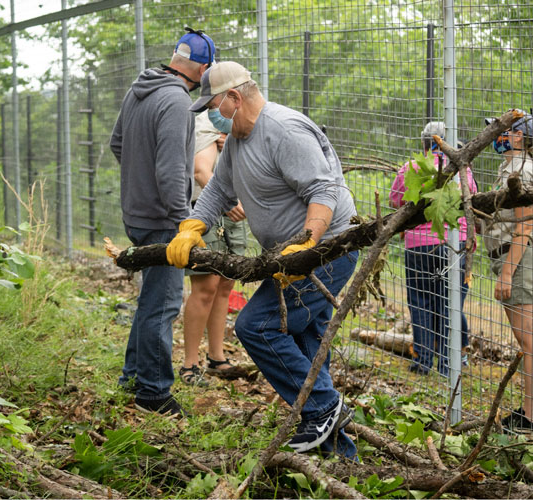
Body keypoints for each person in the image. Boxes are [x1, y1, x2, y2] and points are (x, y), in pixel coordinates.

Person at [166, 61, 359, 459]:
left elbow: (324, 190)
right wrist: (192, 226)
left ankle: (323, 407)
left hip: (325, 252)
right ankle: (341, 457)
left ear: (235, 98)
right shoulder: (238, 138)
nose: (211, 116)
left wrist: (308, 244)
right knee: (308, 346)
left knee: (257, 326)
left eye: (213, 106)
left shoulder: (283, 130)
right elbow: (219, 190)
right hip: (290, 259)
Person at [109, 27, 215, 418]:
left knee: (150, 299)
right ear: (203, 69)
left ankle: (132, 378)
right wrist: (183, 221)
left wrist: (139, 184)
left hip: (136, 214)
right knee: (165, 303)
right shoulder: (174, 101)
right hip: (162, 220)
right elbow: (172, 172)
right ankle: (152, 392)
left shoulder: (140, 89)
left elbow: (116, 144)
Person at [389, 122, 477, 376]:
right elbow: (471, 194)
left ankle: (423, 361)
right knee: (450, 303)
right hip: (453, 245)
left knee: (420, 302)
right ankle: (449, 365)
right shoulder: (462, 169)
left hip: (418, 246)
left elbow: (396, 199)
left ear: (423, 143)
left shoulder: (412, 167)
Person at [484, 109, 533, 433]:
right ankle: (528, 413)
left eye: (502, 129)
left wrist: (507, 273)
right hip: (515, 260)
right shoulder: (512, 167)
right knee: (528, 344)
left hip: (521, 262)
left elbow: (524, 228)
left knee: (532, 344)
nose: (496, 134)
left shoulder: (522, 170)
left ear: (518, 136)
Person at [180, 111, 248, 386]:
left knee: (225, 287)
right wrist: (228, 203)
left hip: (235, 214)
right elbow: (200, 171)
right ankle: (189, 364)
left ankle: (217, 357)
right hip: (207, 212)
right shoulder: (204, 124)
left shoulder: (238, 124)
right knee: (205, 287)